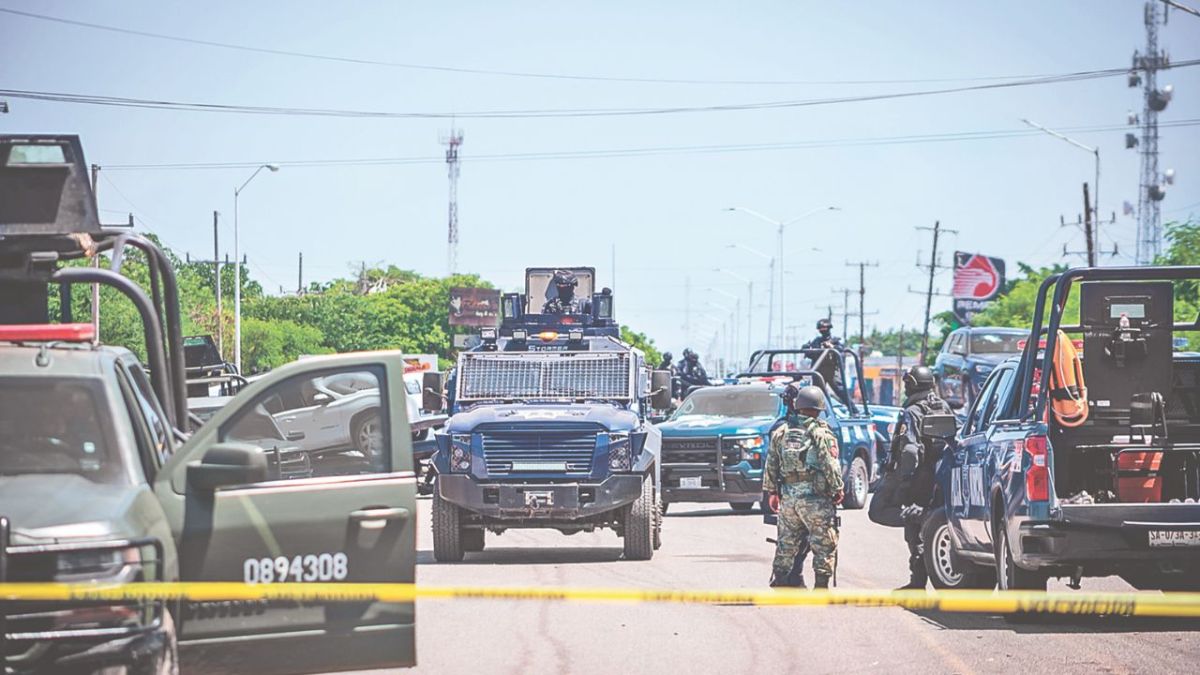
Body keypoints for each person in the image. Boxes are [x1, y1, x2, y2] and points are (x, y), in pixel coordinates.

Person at [764, 384, 844, 589]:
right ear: (818, 409)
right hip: (815, 499)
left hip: (789, 499)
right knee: (824, 543)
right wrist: (837, 489)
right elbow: (830, 464)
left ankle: (780, 581)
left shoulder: (781, 431)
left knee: (786, 543)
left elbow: (771, 463)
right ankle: (821, 587)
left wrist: (772, 492)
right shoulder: (821, 433)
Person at [885, 365, 954, 590]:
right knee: (930, 525)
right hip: (940, 475)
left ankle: (917, 583)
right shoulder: (942, 406)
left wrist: (905, 478)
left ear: (912, 385)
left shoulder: (912, 412)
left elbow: (910, 450)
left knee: (914, 529)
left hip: (920, 477)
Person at [802, 318, 849, 405]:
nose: (822, 331)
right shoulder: (816, 341)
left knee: (840, 391)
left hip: (831, 370)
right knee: (819, 393)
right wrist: (806, 349)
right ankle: (827, 410)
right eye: (821, 329)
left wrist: (831, 347)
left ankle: (853, 410)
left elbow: (841, 353)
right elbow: (811, 354)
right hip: (819, 369)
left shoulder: (836, 341)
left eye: (824, 329)